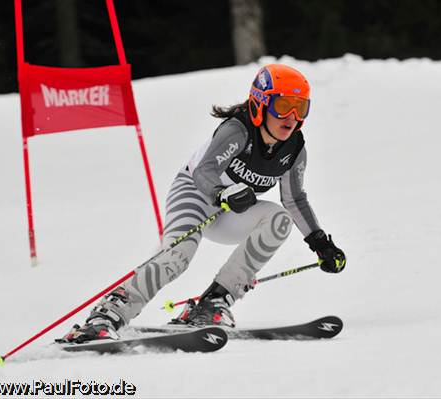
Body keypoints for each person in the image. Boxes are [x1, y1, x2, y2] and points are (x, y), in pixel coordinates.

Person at [60, 64, 346, 343]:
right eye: (283, 106)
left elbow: (294, 199)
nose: (292, 116)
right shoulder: (239, 130)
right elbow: (204, 171)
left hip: (230, 212)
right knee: (178, 256)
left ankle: (213, 302)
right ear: (261, 103)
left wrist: (320, 243)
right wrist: (222, 193)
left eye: (301, 107)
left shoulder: (294, 149)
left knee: (278, 219)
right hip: (195, 193)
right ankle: (106, 315)